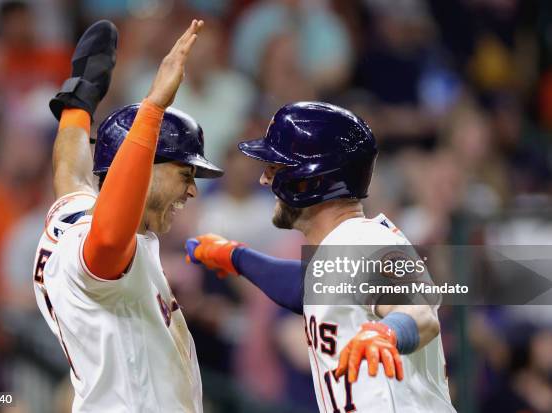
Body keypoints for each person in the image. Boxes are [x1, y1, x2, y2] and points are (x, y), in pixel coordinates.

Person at [186, 102, 456, 412]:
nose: (263, 180)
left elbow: (420, 313)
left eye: (275, 169)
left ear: (311, 181)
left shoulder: (369, 242)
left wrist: (391, 332)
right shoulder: (341, 249)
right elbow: (303, 285)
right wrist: (237, 257)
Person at [33, 19, 222, 412]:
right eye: (184, 174)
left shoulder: (74, 212)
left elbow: (70, 172)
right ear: (138, 168)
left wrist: (79, 102)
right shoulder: (105, 250)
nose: (192, 189)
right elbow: (107, 240)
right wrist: (152, 108)